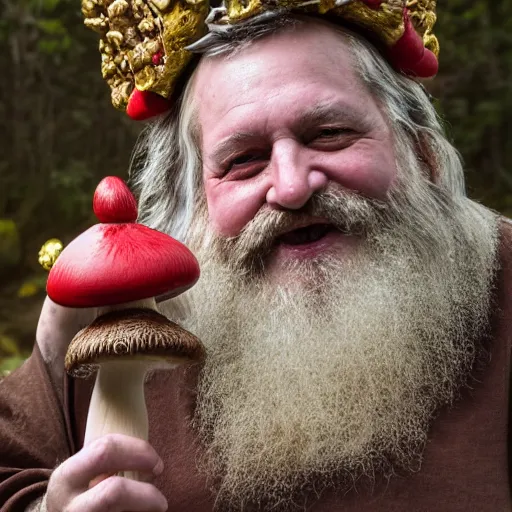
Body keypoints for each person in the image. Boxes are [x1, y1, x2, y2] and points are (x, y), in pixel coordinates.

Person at [0, 2, 510, 511]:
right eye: (244, 159)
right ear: (193, 201)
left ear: (420, 153)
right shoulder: (117, 315)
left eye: (331, 134)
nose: (290, 187)